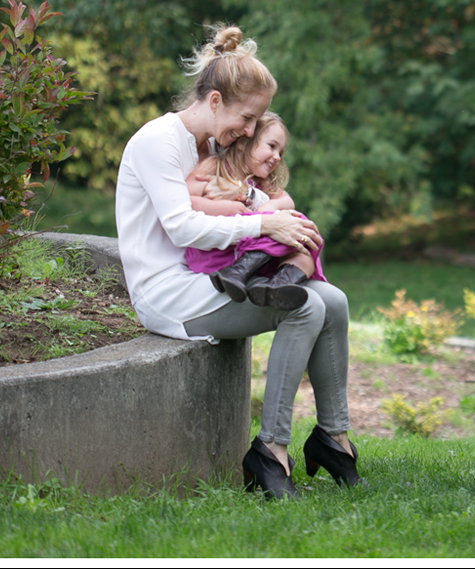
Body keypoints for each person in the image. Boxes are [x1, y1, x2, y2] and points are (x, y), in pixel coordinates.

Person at [114, 24, 362, 499]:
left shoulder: (211, 145)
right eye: (247, 118)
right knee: (305, 307)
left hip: (209, 275)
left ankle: (334, 437)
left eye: (256, 123)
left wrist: (278, 217)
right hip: (170, 293)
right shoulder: (157, 142)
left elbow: (246, 198)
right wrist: (264, 226)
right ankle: (270, 450)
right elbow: (182, 227)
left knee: (333, 299)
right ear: (213, 101)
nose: (250, 132)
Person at [183, 111, 326, 312]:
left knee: (303, 241)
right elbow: (186, 200)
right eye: (271, 146)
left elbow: (288, 201)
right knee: (295, 222)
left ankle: (278, 287)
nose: (277, 157)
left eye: (281, 153)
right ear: (243, 142)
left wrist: (267, 210)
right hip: (216, 251)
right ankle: (235, 273)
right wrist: (224, 208)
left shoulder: (261, 182)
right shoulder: (216, 167)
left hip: (248, 254)